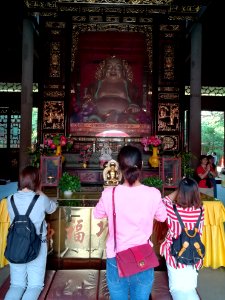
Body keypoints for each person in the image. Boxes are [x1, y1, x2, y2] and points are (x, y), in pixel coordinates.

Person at [93, 145, 167, 300]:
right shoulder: (153, 194)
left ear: (119, 167)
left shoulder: (109, 194)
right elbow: (162, 217)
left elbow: (97, 213)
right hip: (143, 258)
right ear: (141, 165)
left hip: (116, 258)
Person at [4, 166, 58, 300]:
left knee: (16, 285)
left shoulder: (10, 199)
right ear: (37, 180)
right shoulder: (40, 199)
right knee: (34, 286)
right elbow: (52, 208)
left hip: (15, 245)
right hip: (37, 245)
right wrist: (40, 192)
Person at [160, 177, 204, 300]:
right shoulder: (201, 210)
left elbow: (162, 202)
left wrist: (179, 189)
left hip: (175, 253)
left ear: (180, 192)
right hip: (194, 253)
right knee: (190, 288)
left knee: (177, 289)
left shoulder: (172, 210)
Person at [77, 56, 149, 124]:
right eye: (109, 67)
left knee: (132, 119)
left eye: (117, 67)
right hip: (98, 116)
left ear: (123, 71)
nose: (113, 69)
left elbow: (135, 98)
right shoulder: (97, 84)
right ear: (104, 70)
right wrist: (88, 102)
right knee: (90, 119)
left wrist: (134, 105)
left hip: (124, 115)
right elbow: (88, 97)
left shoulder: (128, 85)